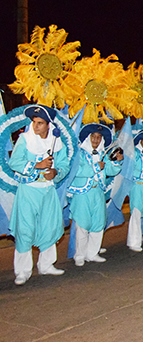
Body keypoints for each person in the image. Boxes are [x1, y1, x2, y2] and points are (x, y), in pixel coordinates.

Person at [9, 105, 71, 285]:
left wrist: (56, 172)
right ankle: (22, 271)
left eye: (40, 123)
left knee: (49, 227)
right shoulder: (24, 139)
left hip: (48, 191)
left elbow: (64, 166)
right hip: (28, 190)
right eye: (34, 122)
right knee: (25, 230)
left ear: (48, 125)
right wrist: (37, 166)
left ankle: (46, 265)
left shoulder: (56, 143)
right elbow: (15, 162)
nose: (36, 127)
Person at [68, 123, 123, 266]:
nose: (96, 140)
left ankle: (92, 253)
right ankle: (79, 255)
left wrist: (117, 163)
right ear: (88, 138)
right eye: (93, 137)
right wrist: (95, 167)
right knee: (82, 224)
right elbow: (76, 172)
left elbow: (110, 171)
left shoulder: (103, 154)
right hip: (82, 194)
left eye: (99, 137)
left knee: (98, 223)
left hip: (98, 192)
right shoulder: (78, 154)